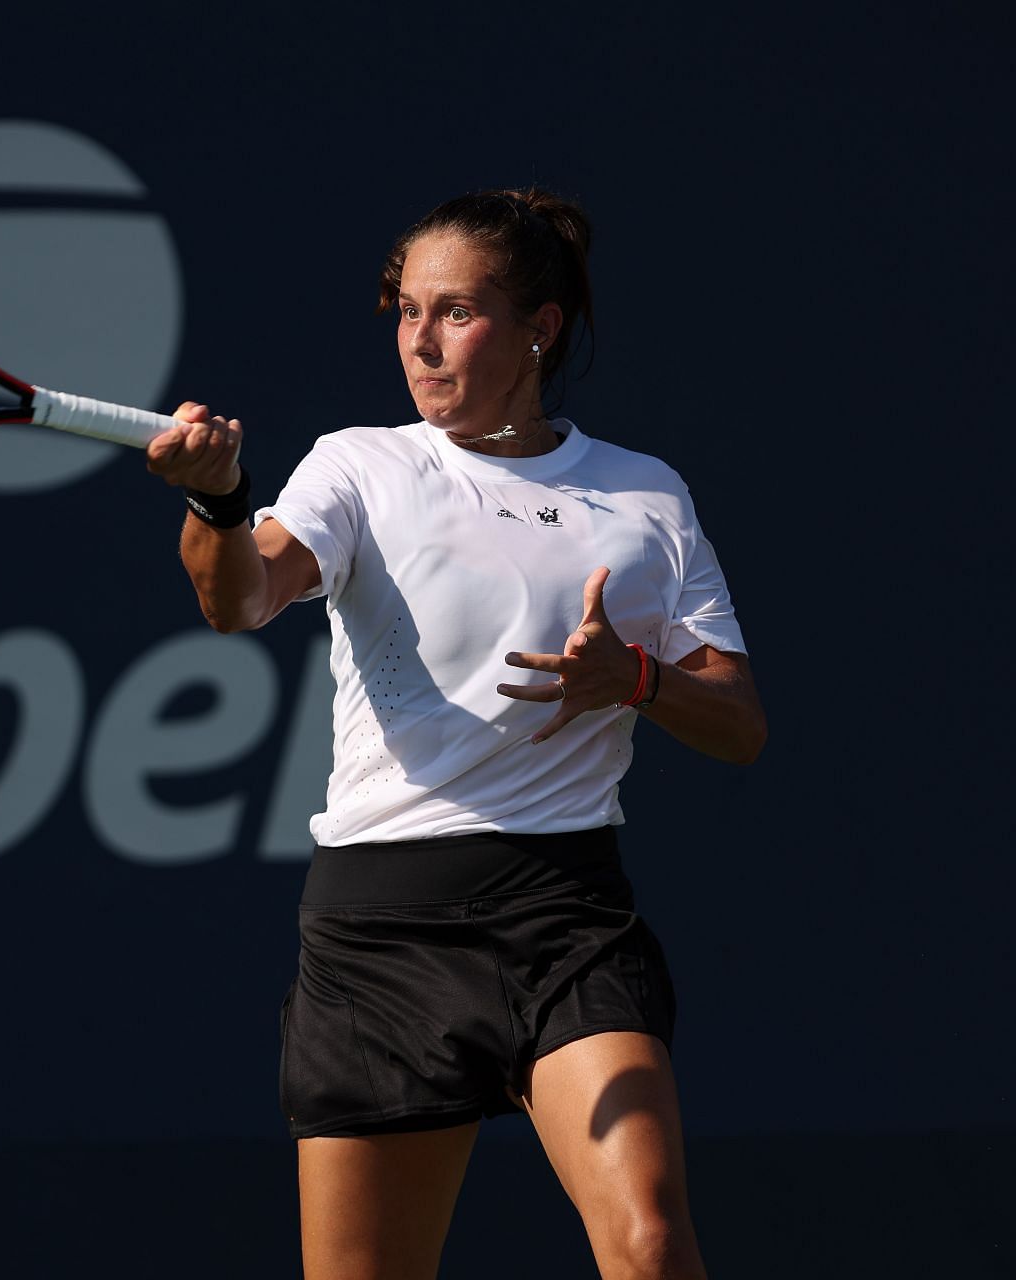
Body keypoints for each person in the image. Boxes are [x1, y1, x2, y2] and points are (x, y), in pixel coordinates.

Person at [146, 187, 765, 1280]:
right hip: (382, 935)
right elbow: (239, 599)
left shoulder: (646, 497)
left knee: (654, 1241)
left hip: (564, 915)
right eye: (405, 311)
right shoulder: (361, 466)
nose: (421, 343)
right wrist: (218, 505)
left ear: (541, 326)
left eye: (458, 312)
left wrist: (637, 679)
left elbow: (739, 724)